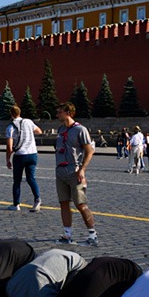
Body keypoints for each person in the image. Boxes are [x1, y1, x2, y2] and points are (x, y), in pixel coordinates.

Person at [54, 103, 97, 246]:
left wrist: (82, 169)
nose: (57, 114)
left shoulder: (80, 130)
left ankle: (92, 235)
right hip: (60, 172)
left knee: (81, 204)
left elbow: (89, 151)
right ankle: (67, 235)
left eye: (60, 112)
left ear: (68, 113)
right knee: (64, 203)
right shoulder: (60, 129)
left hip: (75, 172)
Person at [4, 105, 42, 212]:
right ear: (20, 113)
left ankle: (16, 204)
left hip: (20, 155)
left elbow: (9, 147)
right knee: (31, 178)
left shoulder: (10, 127)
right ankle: (37, 198)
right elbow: (39, 131)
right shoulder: (28, 122)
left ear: (11, 114)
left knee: (17, 181)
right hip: (33, 154)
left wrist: (8, 159)